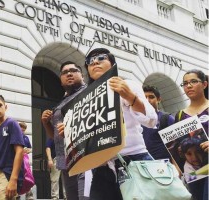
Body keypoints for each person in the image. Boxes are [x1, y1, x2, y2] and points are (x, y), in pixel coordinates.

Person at [84, 48, 157, 200]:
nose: (95, 62)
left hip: (133, 159)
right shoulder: (85, 100)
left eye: (101, 58)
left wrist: (131, 97)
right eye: (90, 61)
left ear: (112, 64)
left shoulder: (127, 84)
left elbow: (151, 120)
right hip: (101, 168)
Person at [41, 61, 89, 200]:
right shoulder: (60, 103)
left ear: (82, 76)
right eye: (64, 72)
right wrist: (46, 123)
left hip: (85, 157)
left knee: (86, 197)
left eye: (73, 70)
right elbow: (55, 137)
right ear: (61, 80)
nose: (69, 73)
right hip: (64, 160)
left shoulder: (89, 93)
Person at [175, 69, 208, 200]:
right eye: (185, 83)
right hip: (194, 174)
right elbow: (177, 142)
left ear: (205, 84)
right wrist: (176, 165)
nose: (188, 86)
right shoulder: (179, 114)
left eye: (193, 81)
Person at [142, 85, 175, 160]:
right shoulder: (136, 120)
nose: (147, 100)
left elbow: (175, 146)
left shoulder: (167, 118)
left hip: (165, 164)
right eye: (144, 98)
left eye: (151, 97)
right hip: (143, 165)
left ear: (159, 99)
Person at [18, 122, 34, 200]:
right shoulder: (14, 137)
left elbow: (30, 148)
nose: (22, 132)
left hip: (25, 159)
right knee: (17, 176)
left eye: (23, 130)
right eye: (21, 130)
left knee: (27, 175)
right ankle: (17, 195)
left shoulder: (26, 138)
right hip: (16, 159)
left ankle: (29, 195)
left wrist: (28, 150)